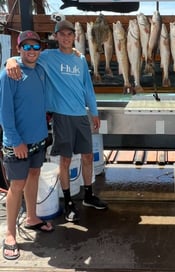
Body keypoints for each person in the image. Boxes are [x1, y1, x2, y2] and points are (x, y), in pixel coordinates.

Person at [6, 20, 107, 223]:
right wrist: (10, 61)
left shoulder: (80, 60)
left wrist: (94, 112)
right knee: (66, 160)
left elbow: (88, 88)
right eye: (62, 34)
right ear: (55, 37)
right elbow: (27, 56)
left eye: (70, 34)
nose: (66, 38)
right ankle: (68, 201)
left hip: (81, 115)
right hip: (62, 117)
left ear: (75, 37)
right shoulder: (48, 57)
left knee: (87, 157)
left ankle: (88, 195)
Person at [0, 30, 54, 260]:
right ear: (19, 49)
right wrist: (15, 141)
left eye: (36, 47)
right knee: (17, 186)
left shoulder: (41, 70)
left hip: (38, 138)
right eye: (27, 47)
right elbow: (4, 113)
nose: (32, 51)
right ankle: (10, 234)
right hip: (18, 143)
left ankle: (31, 217)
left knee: (34, 175)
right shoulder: (9, 74)